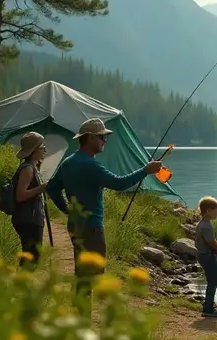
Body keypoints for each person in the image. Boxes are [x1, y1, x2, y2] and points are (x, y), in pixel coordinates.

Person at [46, 118, 162, 315]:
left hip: (75, 225)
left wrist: (66, 209)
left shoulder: (69, 162)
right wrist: (145, 171)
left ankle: (79, 319)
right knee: (92, 275)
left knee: (82, 274)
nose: (105, 141)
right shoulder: (90, 165)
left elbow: (52, 188)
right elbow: (118, 183)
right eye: (102, 137)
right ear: (90, 138)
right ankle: (82, 321)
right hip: (91, 228)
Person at [11, 132, 49, 268]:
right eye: (42, 146)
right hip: (28, 219)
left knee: (31, 256)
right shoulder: (27, 169)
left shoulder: (32, 167)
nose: (45, 149)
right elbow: (20, 195)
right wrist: (41, 188)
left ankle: (20, 285)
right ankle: (20, 286)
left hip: (30, 218)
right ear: (34, 150)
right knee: (31, 258)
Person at [195, 196, 217, 318]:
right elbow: (212, 242)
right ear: (208, 211)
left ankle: (208, 305)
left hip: (204, 254)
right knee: (213, 282)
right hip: (208, 256)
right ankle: (209, 308)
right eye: (216, 210)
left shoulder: (203, 223)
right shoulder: (206, 226)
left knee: (211, 281)